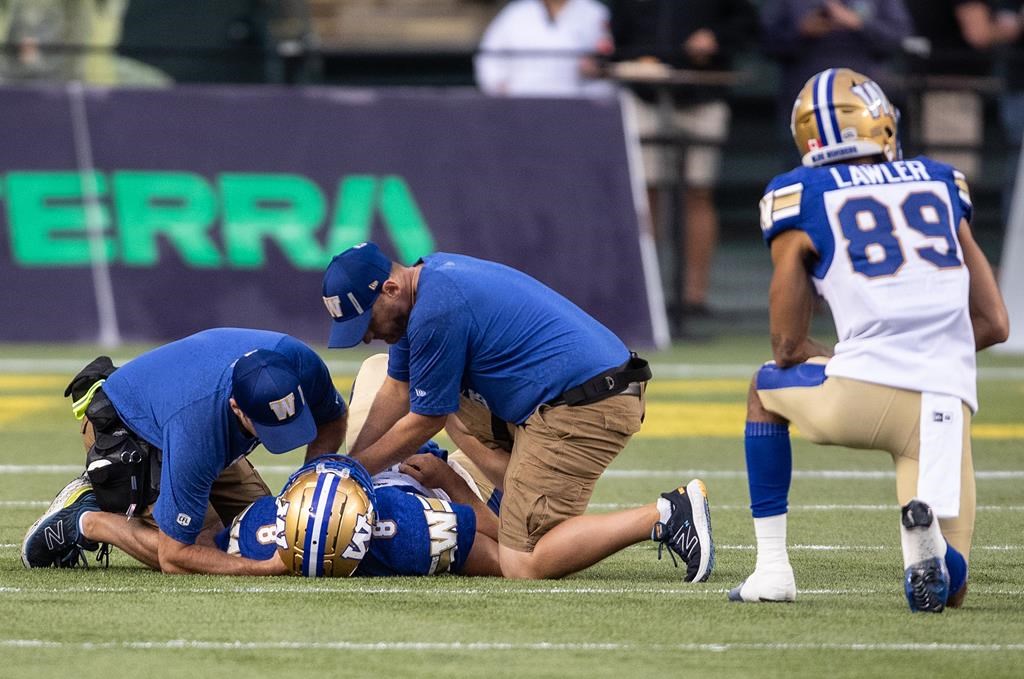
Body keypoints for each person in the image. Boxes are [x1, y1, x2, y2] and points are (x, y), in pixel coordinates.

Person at [732, 68, 1009, 611]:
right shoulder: (940, 180)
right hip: (943, 404)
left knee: (763, 390)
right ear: (881, 122)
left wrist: (854, 357)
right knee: (953, 593)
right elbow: (996, 324)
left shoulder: (799, 193)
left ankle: (771, 571)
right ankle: (929, 547)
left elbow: (786, 345)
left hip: (859, 393)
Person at [320, 242, 715, 582]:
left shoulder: (435, 312)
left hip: (583, 406)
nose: (367, 335)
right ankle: (519, 494)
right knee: (427, 394)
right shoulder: (423, 288)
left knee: (522, 562)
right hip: (553, 397)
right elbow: (398, 389)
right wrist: (348, 462)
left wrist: (352, 471)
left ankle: (665, 514)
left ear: (390, 289)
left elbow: (426, 420)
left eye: (365, 321)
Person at [22, 328, 348, 576]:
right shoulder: (199, 430)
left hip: (191, 415)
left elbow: (333, 418)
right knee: (211, 548)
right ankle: (86, 519)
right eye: (266, 428)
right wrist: (264, 569)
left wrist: (310, 485)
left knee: (263, 530)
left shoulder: (301, 363)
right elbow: (174, 555)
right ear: (237, 408)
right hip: (129, 431)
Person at [609, 0, 758, 320]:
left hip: (703, 92)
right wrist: (638, 57)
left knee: (699, 191)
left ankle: (694, 296)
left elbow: (747, 25)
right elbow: (616, 38)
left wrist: (713, 39)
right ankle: (645, 293)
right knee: (647, 193)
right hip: (646, 93)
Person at [218, 452, 503, 577]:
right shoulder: (413, 531)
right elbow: (508, 554)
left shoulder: (257, 533)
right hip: (447, 481)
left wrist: (263, 567)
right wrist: (450, 480)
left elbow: (198, 548)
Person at [759, 0, 914, 163]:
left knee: (879, 171)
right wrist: (801, 32)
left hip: (867, 107)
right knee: (803, 174)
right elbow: (765, 41)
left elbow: (898, 37)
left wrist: (858, 23)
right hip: (806, 109)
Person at [474, 0, 614, 98]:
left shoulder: (595, 13)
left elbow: (607, 64)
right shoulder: (515, 13)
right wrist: (501, 92)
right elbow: (488, 59)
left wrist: (593, 72)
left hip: (575, 106)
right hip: (521, 105)